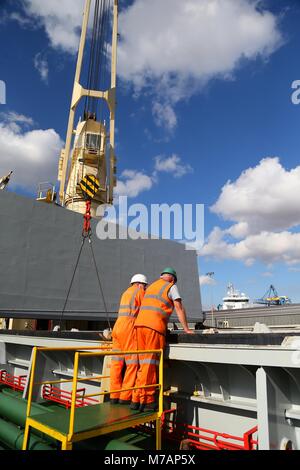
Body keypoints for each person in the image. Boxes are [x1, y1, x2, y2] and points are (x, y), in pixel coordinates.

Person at [131, 268, 194, 411]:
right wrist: (186, 329)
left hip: (139, 326)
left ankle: (136, 399)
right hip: (153, 328)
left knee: (142, 364)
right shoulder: (171, 286)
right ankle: (147, 402)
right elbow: (179, 308)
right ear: (172, 279)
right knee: (150, 364)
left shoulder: (151, 286)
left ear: (161, 276)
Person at [110, 274, 148, 405]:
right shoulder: (140, 291)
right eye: (145, 285)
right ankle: (125, 397)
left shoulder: (125, 292)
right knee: (132, 363)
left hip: (117, 327)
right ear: (140, 284)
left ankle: (114, 395)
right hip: (128, 327)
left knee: (116, 363)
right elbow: (147, 311)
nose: (145, 288)